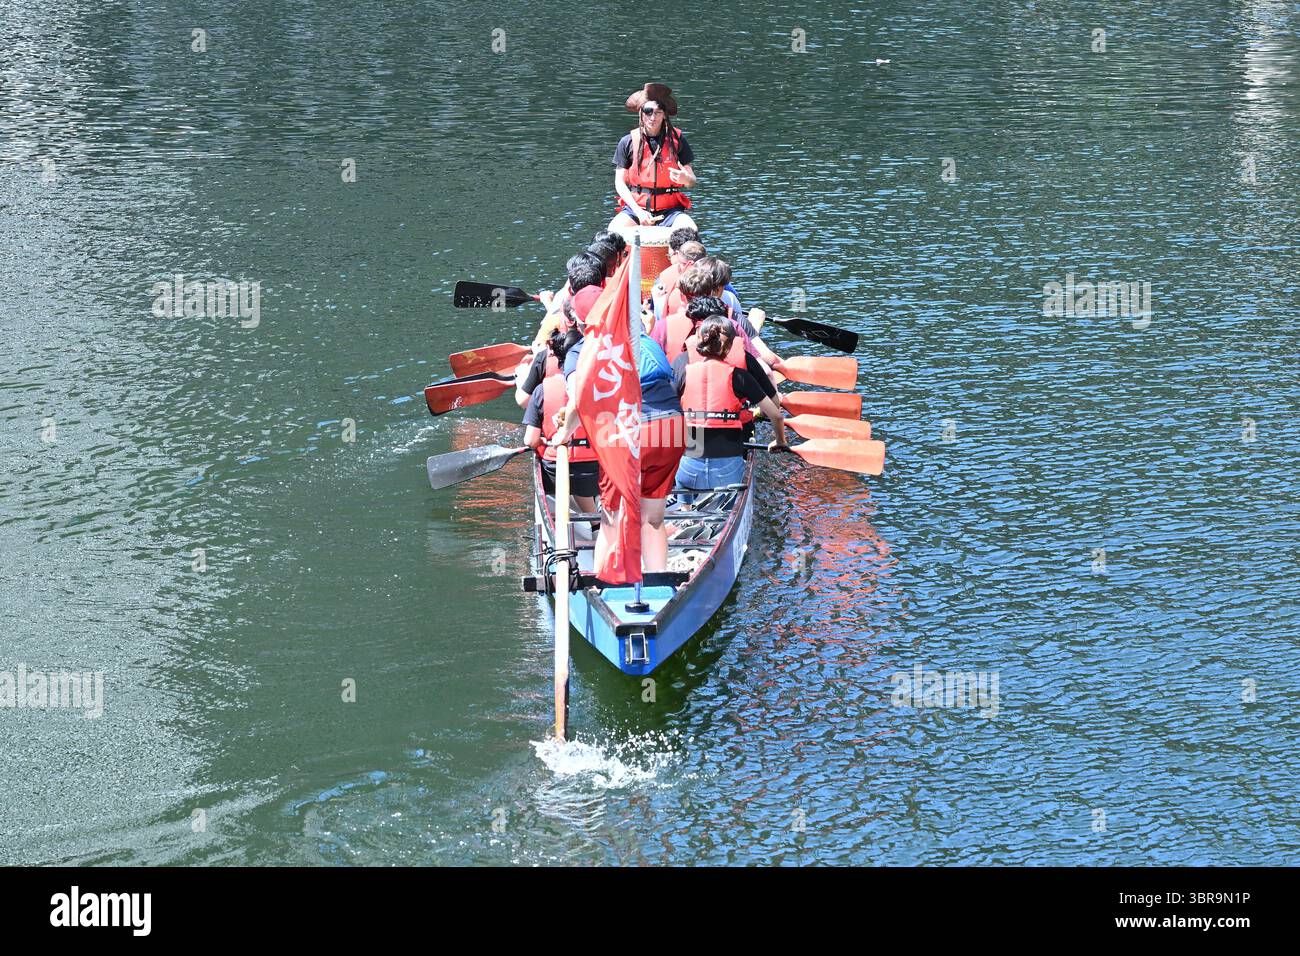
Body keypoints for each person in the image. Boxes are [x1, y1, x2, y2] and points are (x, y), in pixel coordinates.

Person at [549, 322, 686, 575]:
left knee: (611, 519)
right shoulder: (647, 342)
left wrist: (563, 434)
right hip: (671, 428)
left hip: (629, 432)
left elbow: (580, 400)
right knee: (653, 519)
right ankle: (657, 580)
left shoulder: (587, 350)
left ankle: (605, 582)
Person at [674, 316, 788, 500]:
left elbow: (667, 413)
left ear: (700, 339)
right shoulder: (740, 377)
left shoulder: (684, 371)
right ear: (728, 347)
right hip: (727, 473)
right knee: (731, 490)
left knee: (683, 479)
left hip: (689, 471)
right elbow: (777, 416)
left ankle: (684, 508)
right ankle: (728, 508)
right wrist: (780, 441)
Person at [522, 326, 600, 518]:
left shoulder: (541, 390)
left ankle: (580, 520)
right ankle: (596, 521)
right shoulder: (599, 385)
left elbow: (530, 440)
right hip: (596, 471)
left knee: (567, 475)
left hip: (554, 472)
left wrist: (543, 442)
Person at [609, 83, 698, 232]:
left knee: (691, 230)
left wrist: (686, 179)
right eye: (648, 112)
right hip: (636, 209)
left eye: (658, 112)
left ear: (664, 115)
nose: (652, 117)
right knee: (613, 231)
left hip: (671, 210)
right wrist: (638, 212)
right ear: (641, 113)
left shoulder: (677, 139)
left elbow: (692, 181)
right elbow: (619, 183)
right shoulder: (627, 142)